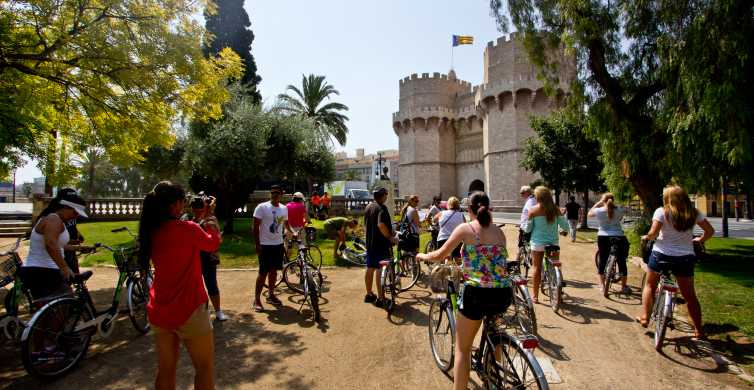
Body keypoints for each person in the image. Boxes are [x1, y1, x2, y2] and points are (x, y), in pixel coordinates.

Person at [417, 192, 511, 390]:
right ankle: (494, 378)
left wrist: (423, 255)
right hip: (502, 293)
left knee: (462, 349)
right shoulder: (500, 232)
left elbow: (440, 254)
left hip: (477, 294)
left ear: (469, 210)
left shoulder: (466, 229)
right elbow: (495, 263)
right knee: (495, 334)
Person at [138, 181, 221, 390]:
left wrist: (200, 220)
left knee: (165, 370)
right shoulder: (188, 229)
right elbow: (211, 244)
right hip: (190, 307)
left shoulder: (152, 231)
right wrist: (211, 221)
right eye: (183, 202)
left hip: (160, 309)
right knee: (204, 368)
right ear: (175, 204)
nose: (185, 205)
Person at [637, 185, 714, 339]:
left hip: (661, 255)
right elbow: (710, 231)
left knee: (650, 285)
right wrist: (699, 240)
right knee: (690, 296)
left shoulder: (661, 212)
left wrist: (647, 237)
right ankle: (698, 330)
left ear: (668, 199)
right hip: (685, 258)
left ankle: (645, 317)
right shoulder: (694, 213)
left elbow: (653, 233)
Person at [20, 192, 92, 300]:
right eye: (75, 213)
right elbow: (50, 244)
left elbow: (58, 245)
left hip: (47, 270)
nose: (75, 216)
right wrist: (64, 267)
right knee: (61, 308)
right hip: (43, 272)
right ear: (65, 207)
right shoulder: (53, 219)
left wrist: (79, 248)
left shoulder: (56, 219)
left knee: (63, 307)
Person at [522, 186, 569, 304]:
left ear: (538, 197)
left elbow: (528, 229)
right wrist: (564, 230)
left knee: (536, 269)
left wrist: (524, 226)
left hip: (537, 244)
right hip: (553, 243)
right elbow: (565, 226)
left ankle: (535, 296)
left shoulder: (533, 210)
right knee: (555, 266)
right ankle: (557, 291)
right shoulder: (555, 209)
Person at [252, 185, 291, 312]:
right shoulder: (262, 207)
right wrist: (257, 244)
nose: (275, 194)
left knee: (274, 272)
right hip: (264, 245)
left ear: (281, 194)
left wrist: (292, 232)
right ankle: (257, 299)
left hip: (278, 245)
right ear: (270, 194)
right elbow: (255, 227)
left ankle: (271, 294)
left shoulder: (284, 209)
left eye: (277, 192)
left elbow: (286, 224)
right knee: (263, 272)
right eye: (273, 192)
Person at [190, 195, 227, 322]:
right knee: (193, 285)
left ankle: (218, 311)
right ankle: (196, 312)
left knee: (211, 284)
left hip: (208, 256)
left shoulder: (211, 219)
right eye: (195, 208)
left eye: (200, 207)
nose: (197, 210)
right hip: (193, 257)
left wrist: (209, 212)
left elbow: (217, 239)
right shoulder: (189, 219)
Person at [588, 193, 630, 294]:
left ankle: (602, 286)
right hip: (618, 236)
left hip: (603, 236)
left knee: (603, 260)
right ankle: (624, 287)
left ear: (603, 200)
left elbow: (589, 214)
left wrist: (598, 203)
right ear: (613, 200)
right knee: (622, 261)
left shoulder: (599, 210)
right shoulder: (619, 210)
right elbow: (624, 214)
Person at [363, 187, 397, 306]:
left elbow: (366, 224)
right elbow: (381, 224)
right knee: (380, 268)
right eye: (386, 195)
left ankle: (369, 294)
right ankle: (381, 297)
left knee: (370, 267)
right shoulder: (382, 208)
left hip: (370, 243)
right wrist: (389, 237)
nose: (387, 197)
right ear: (382, 196)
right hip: (381, 243)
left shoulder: (368, 207)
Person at [518, 185, 537, 256]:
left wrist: (525, 223)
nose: (521, 195)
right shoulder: (531, 200)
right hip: (527, 226)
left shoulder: (531, 201)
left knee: (521, 245)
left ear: (527, 192)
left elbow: (532, 213)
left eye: (522, 193)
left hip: (526, 228)